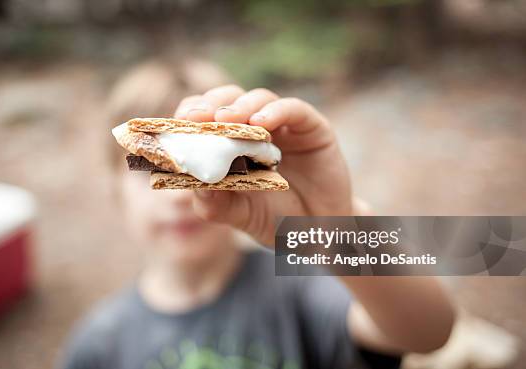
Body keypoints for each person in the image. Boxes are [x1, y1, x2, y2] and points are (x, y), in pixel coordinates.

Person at [59, 58, 455, 369]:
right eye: (156, 168)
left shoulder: (301, 290)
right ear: (115, 190)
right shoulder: (98, 344)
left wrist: (335, 224)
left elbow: (429, 331)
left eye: (197, 174)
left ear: (243, 170)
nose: (182, 197)